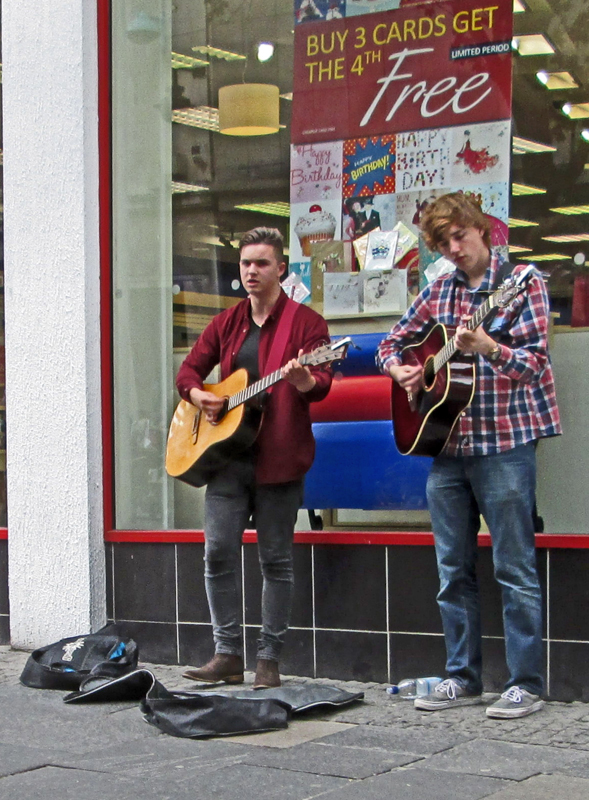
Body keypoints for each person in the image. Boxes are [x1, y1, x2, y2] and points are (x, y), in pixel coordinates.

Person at [377, 193, 561, 719]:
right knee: (452, 570)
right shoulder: (439, 292)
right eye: (443, 243)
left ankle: (526, 682)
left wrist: (488, 348)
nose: (454, 249)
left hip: (505, 444)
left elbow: (534, 365)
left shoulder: (522, 282)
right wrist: (403, 372)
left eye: (460, 237)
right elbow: (393, 342)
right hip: (447, 448)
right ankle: (463, 676)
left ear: (482, 230)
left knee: (514, 566)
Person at [176, 227, 332, 689]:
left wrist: (304, 380)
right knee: (218, 552)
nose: (251, 271)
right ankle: (226, 654)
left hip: (280, 459)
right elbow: (189, 370)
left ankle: (268, 660)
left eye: (261, 263)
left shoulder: (306, 325)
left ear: (280, 268)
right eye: (246, 263)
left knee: (275, 561)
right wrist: (199, 394)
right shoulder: (226, 322)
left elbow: (321, 383)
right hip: (228, 459)